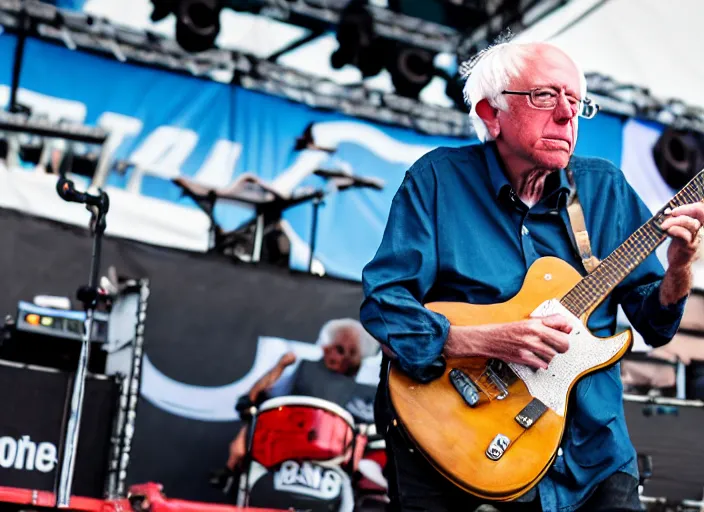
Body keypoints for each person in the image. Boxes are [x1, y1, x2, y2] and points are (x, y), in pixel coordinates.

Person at [360, 39, 704, 512]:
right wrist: (486, 341)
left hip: (591, 447)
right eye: (545, 96)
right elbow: (384, 307)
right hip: (453, 437)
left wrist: (680, 268)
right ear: (490, 112)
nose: (567, 115)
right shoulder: (437, 180)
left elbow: (655, 324)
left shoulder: (605, 188)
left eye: (576, 101)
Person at [224, 318, 381, 474]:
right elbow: (260, 396)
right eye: (339, 349)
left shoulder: (363, 393)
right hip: (284, 442)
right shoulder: (301, 369)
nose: (344, 356)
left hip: (333, 458)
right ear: (327, 348)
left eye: (352, 353)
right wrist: (280, 367)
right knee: (253, 422)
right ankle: (231, 471)